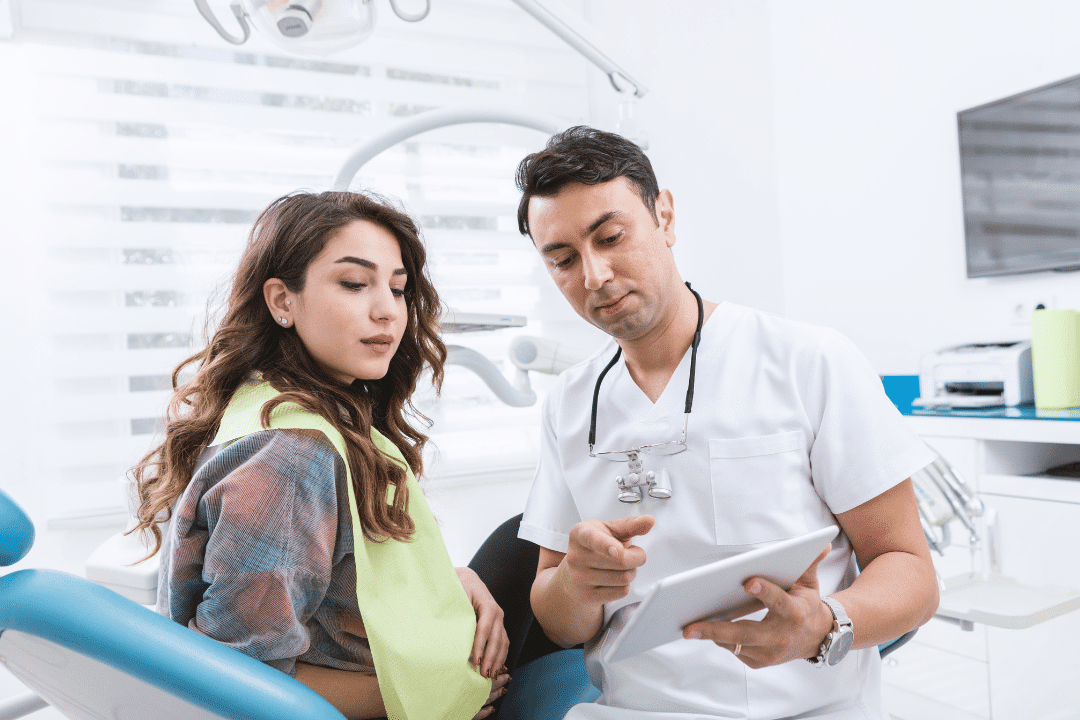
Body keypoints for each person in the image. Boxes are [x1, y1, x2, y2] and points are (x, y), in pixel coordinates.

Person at [513, 126, 940, 720]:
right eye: (562, 260)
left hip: (804, 709)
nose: (594, 276)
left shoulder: (808, 362)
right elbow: (558, 619)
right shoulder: (569, 402)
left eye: (610, 237)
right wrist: (577, 584)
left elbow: (912, 570)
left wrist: (826, 625)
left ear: (663, 215)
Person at [130, 190, 510, 720]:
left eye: (398, 290)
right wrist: (440, 687)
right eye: (354, 284)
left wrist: (448, 585)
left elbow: (337, 575)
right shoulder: (290, 455)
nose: (387, 311)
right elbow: (245, 682)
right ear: (282, 301)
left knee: (517, 549)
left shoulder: (283, 411)